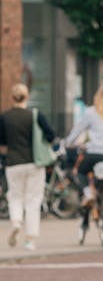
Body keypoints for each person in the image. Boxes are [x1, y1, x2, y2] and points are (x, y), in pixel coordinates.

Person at [0, 83, 55, 251]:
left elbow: (2, 142)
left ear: (12, 98)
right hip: (34, 163)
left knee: (15, 196)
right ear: (27, 97)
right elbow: (50, 135)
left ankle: (16, 221)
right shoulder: (35, 115)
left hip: (13, 163)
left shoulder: (4, 117)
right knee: (33, 200)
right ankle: (30, 239)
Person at [65, 83, 103, 227]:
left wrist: (68, 142)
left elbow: (76, 131)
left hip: (95, 153)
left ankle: (88, 194)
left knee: (80, 172)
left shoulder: (91, 112)